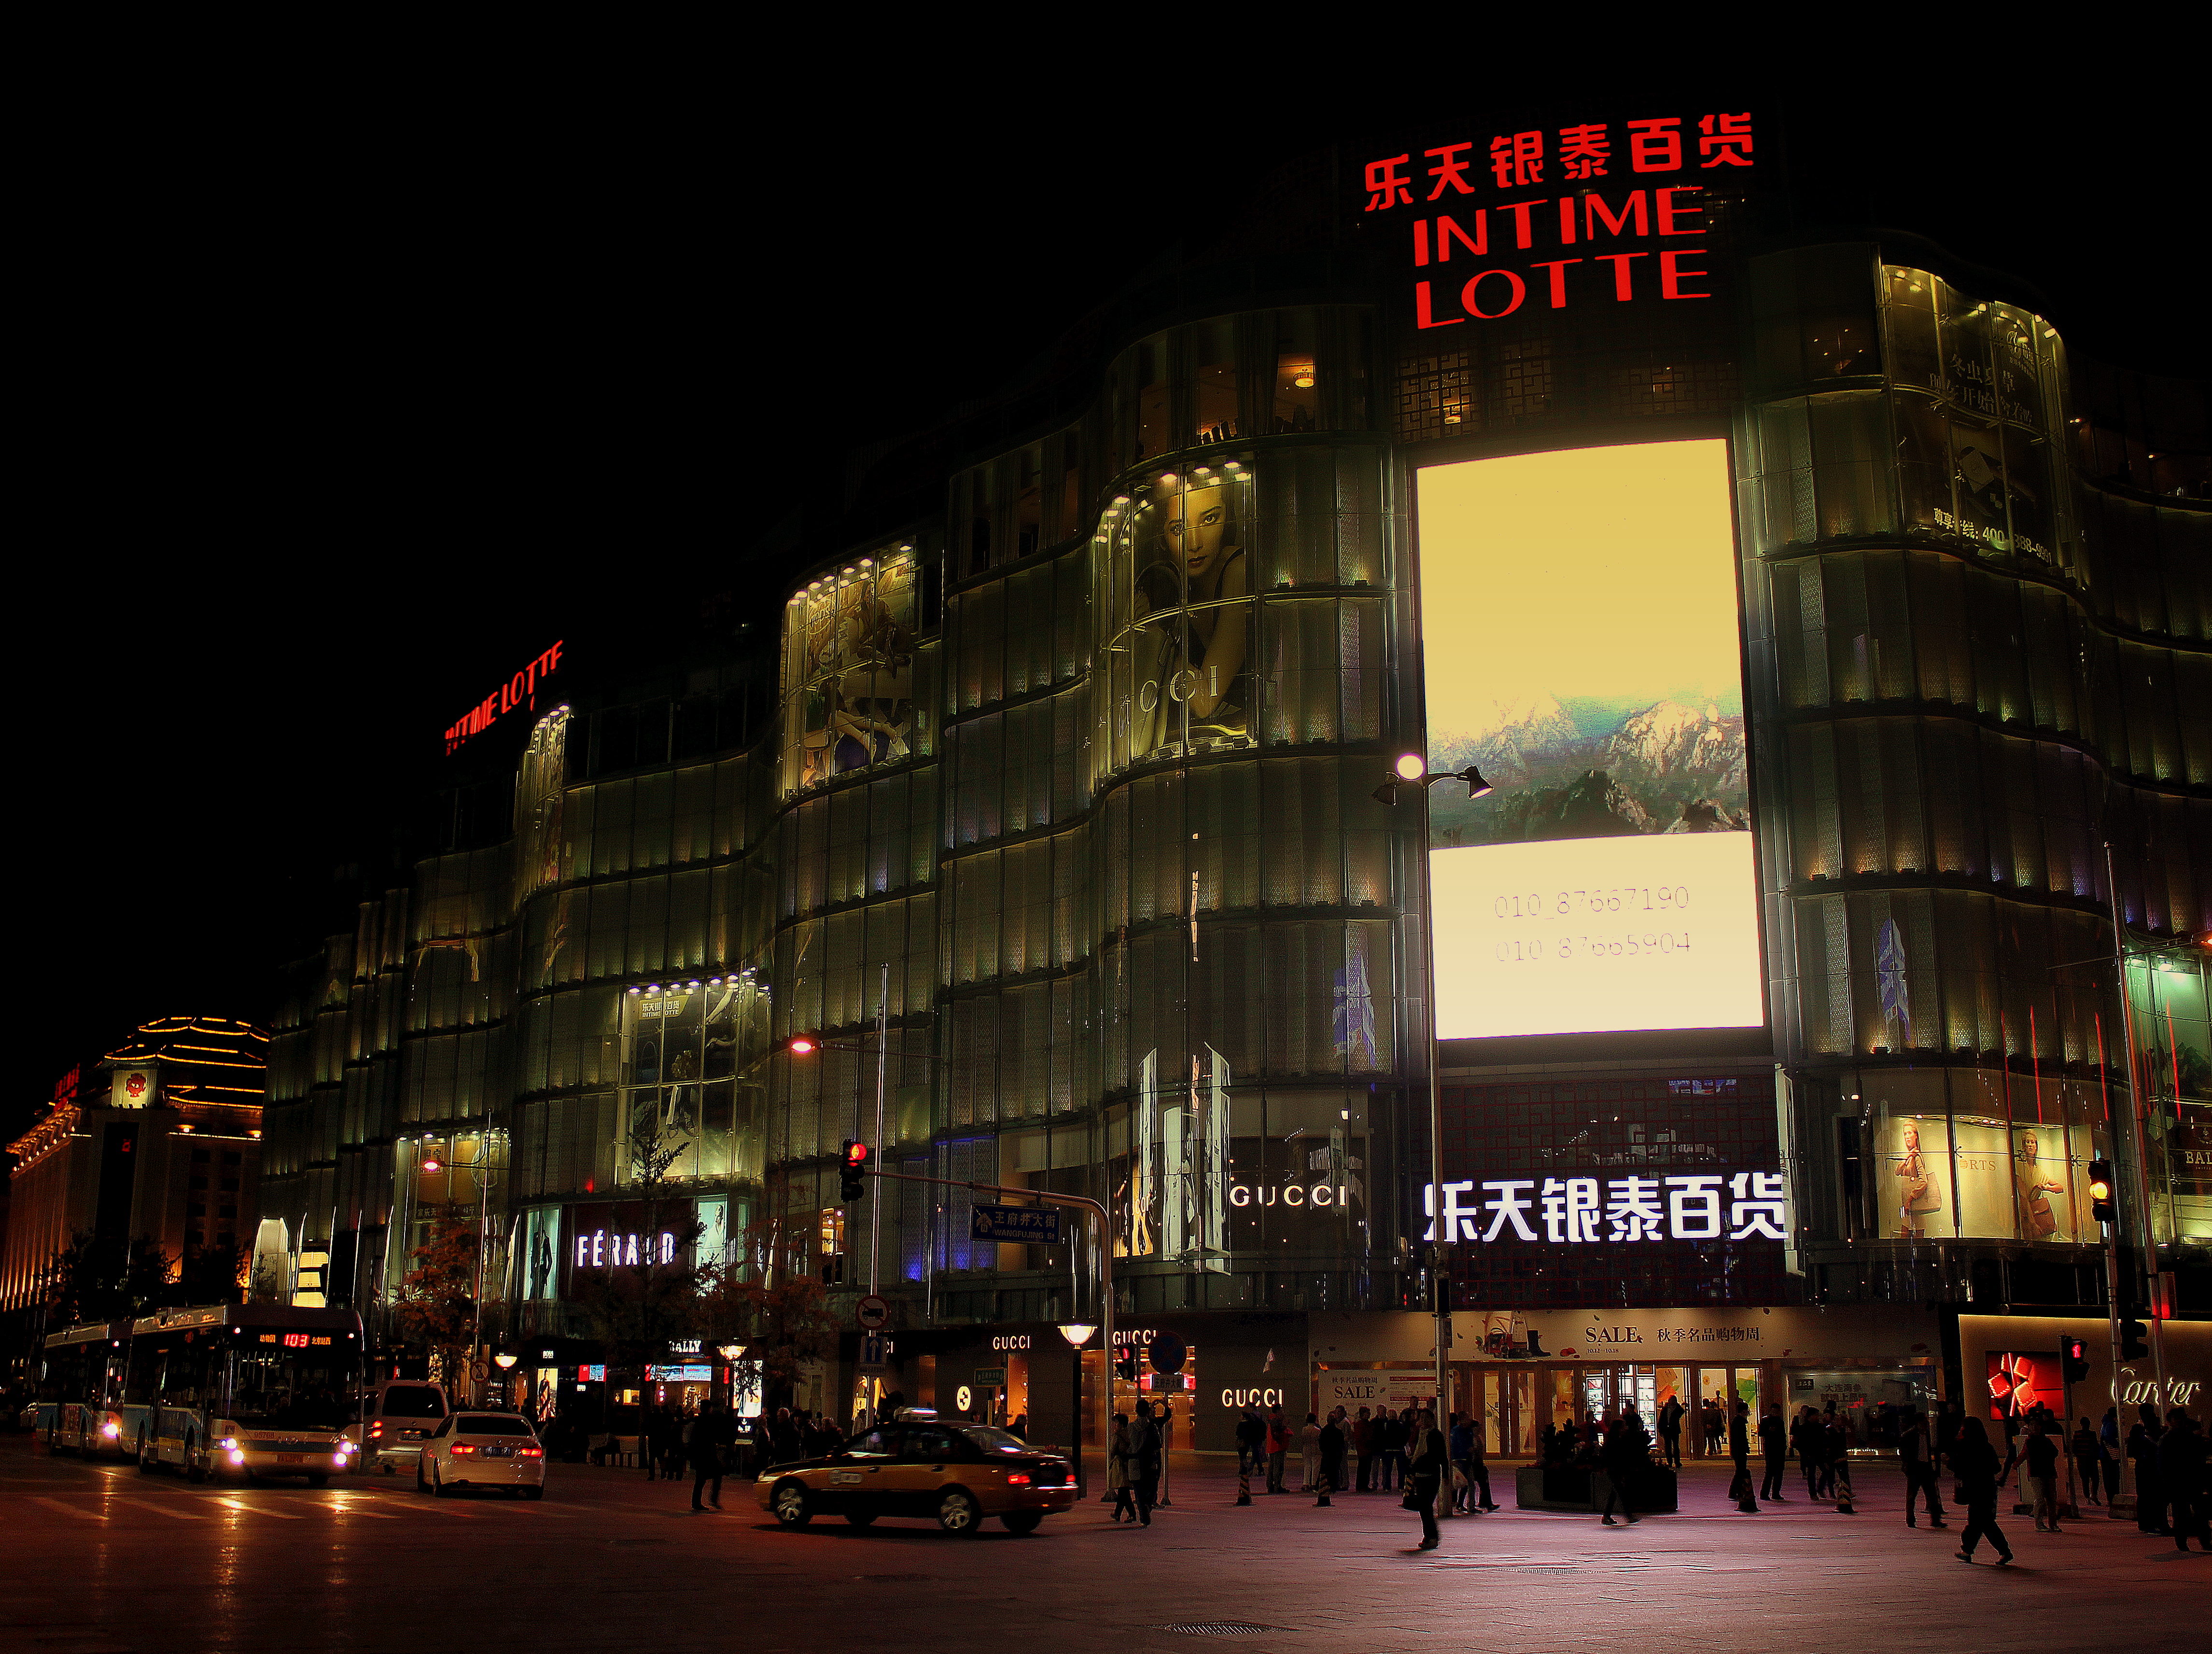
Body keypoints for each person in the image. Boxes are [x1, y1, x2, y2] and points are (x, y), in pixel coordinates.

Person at [1953, 1416, 2016, 1565]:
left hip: (1975, 1489)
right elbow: (1996, 1467)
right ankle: (2002, 1552)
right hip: (1987, 1489)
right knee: (1985, 1523)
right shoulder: (1986, 1446)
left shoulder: (1965, 1446)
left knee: (1978, 1522)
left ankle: (1968, 1551)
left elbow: (1955, 1466)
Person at [2160, 1412, 2210, 1554]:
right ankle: (2198, 1541)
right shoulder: (2183, 1438)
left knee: (2188, 1513)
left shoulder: (2173, 1438)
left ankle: (2189, 1541)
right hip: (2184, 1481)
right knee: (2190, 1513)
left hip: (2185, 1481)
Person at [1601, 1404, 1648, 1526]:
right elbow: (1616, 1456)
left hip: (1615, 1469)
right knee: (1621, 1492)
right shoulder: (1616, 1441)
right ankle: (1628, 1515)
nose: (1626, 1427)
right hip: (1615, 1469)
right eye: (1624, 1426)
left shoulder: (1617, 1440)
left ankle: (1607, 1516)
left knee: (1616, 1492)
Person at [1901, 1407, 1946, 1528]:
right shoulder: (1909, 1436)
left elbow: (1935, 1451)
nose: (1925, 1425)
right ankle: (1910, 1520)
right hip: (1915, 1469)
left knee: (1932, 1496)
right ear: (1917, 1424)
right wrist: (1907, 1468)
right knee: (1911, 1497)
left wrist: (1937, 1469)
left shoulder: (1930, 1435)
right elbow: (1904, 1454)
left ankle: (1935, 1520)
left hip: (1927, 1468)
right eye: (1923, 1423)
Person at [1409, 1408, 1447, 1550]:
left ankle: (1432, 1537)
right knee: (1424, 1508)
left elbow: (1440, 1456)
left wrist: (1447, 1474)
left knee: (1426, 1507)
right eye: (1421, 1418)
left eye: (1426, 1418)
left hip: (1431, 1476)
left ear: (1432, 1419)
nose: (1423, 1420)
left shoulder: (1435, 1435)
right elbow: (1417, 1450)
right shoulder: (1420, 1434)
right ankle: (1429, 1536)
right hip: (1420, 1475)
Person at [688, 1400, 732, 1512]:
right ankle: (710, 1500)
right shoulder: (708, 1420)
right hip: (707, 1454)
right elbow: (715, 1435)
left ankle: (697, 1502)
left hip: (700, 1455)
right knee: (715, 1475)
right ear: (709, 1409)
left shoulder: (698, 1420)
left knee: (701, 1480)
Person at [2023, 1419, 2063, 1533]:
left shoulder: (2046, 1441)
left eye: (2037, 1425)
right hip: (2037, 1473)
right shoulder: (2030, 1442)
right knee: (2040, 1499)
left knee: (2051, 1500)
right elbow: (2041, 1454)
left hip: (2048, 1472)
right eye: (2033, 1426)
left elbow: (2054, 1452)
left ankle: (2053, 1524)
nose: (2035, 1428)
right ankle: (2039, 1523)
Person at [2129, 1419, 2167, 1535]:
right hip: (2148, 1470)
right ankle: (2149, 1524)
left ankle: (2146, 1523)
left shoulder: (2140, 1439)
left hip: (2143, 1469)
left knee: (2144, 1497)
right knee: (2149, 1497)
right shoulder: (2146, 1440)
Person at [1132, 1401, 1162, 1526]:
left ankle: (1143, 1513)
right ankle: (1147, 1506)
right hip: (1149, 1461)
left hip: (1134, 1461)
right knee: (1152, 1486)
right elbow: (1158, 1445)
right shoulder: (1152, 1427)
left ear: (1136, 1411)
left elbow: (1129, 1445)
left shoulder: (1131, 1427)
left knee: (1138, 1489)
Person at [1463, 1417, 1498, 1511]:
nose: (1481, 1429)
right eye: (1479, 1427)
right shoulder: (1472, 1438)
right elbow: (1474, 1453)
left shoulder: (1478, 1438)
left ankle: (1485, 1503)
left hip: (1477, 1464)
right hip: (1475, 1464)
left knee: (1476, 1484)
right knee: (1478, 1484)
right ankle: (1486, 1504)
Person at [1729, 1401, 1759, 1512]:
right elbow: (1740, 1438)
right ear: (1744, 1411)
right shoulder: (1739, 1422)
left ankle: (1735, 1492)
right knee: (1741, 1471)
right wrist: (1745, 1448)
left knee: (1740, 1471)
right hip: (1739, 1450)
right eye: (1747, 1410)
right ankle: (1735, 1492)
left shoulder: (1738, 1421)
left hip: (1738, 1450)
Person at [1108, 1414, 1137, 1523]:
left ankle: (1132, 1515)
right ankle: (1117, 1514)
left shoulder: (1117, 1436)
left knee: (1124, 1491)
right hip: (1129, 1465)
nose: (1114, 1425)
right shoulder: (1131, 1434)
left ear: (1120, 1424)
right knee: (1123, 1491)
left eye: (1116, 1423)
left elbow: (1112, 1451)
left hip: (1120, 1466)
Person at [2070, 1416, 2102, 1506]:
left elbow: (2073, 1447)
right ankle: (2094, 1495)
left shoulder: (2077, 1434)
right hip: (2091, 1460)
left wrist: (2077, 1455)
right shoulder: (2092, 1434)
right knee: (2095, 1479)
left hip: (2081, 1460)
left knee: (2085, 1480)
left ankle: (2087, 1498)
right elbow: (2095, 1446)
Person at [1759, 1404, 1788, 1501]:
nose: (1776, 1413)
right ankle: (1764, 1494)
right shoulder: (1766, 1420)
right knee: (1770, 1472)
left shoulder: (1780, 1421)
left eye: (1777, 1412)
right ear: (1771, 1411)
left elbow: (1783, 1435)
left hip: (1780, 1449)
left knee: (1779, 1472)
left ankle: (1776, 1493)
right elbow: (1761, 1433)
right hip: (1770, 1449)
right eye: (1774, 1412)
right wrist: (1769, 1431)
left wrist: (1784, 1447)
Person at [1316, 1409, 1344, 1507]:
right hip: (1336, 1454)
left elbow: (1321, 1443)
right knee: (1335, 1470)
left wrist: (1324, 1451)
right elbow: (1342, 1444)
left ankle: (1324, 1487)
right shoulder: (1338, 1431)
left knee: (1325, 1472)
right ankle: (1334, 1486)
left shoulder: (1324, 1431)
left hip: (1327, 1454)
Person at [1234, 1405, 1264, 1483]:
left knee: (1244, 1456)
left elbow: (1238, 1433)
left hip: (1248, 1440)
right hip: (1255, 1439)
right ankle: (1258, 1469)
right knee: (1256, 1454)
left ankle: (1246, 1470)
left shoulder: (1246, 1421)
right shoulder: (1258, 1416)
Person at [1265, 1404, 1290, 1494]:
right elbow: (1278, 1433)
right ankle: (1277, 1486)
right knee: (1278, 1468)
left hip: (1272, 1447)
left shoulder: (1270, 1419)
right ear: (1278, 1411)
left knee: (1272, 1467)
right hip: (1278, 1447)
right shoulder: (1276, 1420)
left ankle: (1271, 1486)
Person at [1657, 1394, 1684, 1468]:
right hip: (1667, 1430)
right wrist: (1661, 1430)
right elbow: (1661, 1420)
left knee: (1676, 1447)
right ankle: (1670, 1462)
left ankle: (1677, 1462)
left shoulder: (1677, 1409)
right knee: (1668, 1447)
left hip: (1674, 1430)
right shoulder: (1665, 1409)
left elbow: (1682, 1411)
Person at [1354, 1406, 1376, 1491]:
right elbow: (1360, 1438)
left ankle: (1363, 1485)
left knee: (1365, 1468)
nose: (1369, 1414)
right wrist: (1369, 1442)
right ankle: (1362, 1486)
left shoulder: (1366, 1424)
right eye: (1368, 1413)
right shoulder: (1362, 1424)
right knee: (1364, 1468)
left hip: (1366, 1449)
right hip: (1365, 1449)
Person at [1299, 1412, 1322, 1493]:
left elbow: (1303, 1441)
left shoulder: (1304, 1430)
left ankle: (1306, 1483)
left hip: (1307, 1449)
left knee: (1307, 1466)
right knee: (1316, 1467)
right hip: (1316, 1449)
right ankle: (1314, 1483)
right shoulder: (1318, 1430)